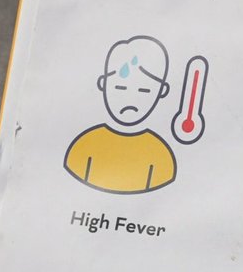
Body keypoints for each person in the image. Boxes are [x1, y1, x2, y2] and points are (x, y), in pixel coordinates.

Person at [63, 36, 177, 194]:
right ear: (103, 84)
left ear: (162, 91)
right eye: (120, 88)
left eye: (144, 90)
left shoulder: (160, 156)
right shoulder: (85, 145)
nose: (131, 99)